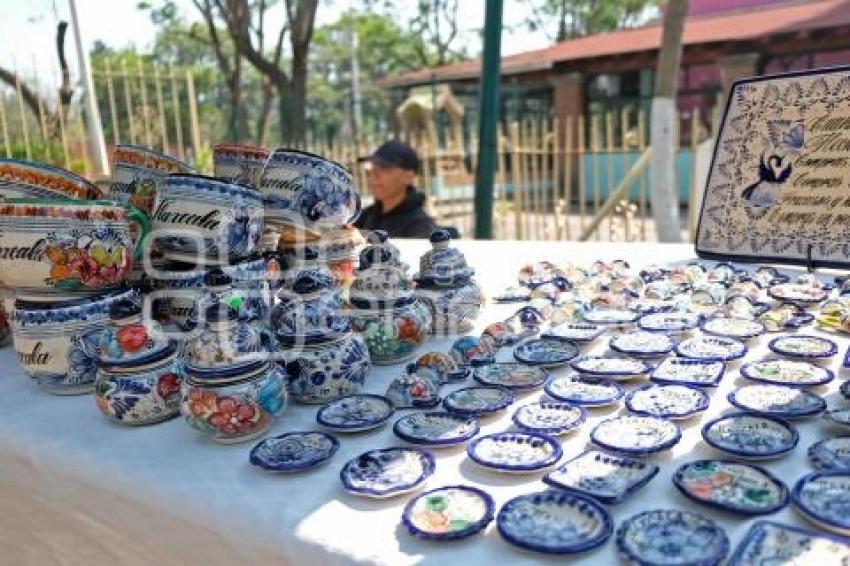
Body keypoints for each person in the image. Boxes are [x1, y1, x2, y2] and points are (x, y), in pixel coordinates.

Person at [355, 140, 437, 238]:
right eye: (373, 169)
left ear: (408, 177)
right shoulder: (365, 216)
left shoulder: (420, 226)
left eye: (384, 168)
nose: (374, 175)